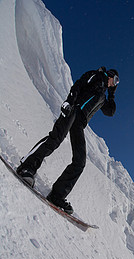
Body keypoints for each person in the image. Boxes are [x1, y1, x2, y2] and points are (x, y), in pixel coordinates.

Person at [16, 66, 119, 214]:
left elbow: (111, 112)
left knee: (80, 161)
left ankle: (57, 195)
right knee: (55, 139)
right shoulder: (96, 76)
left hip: (80, 124)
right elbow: (78, 85)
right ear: (110, 75)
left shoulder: (103, 95)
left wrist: (112, 94)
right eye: (115, 80)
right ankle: (27, 167)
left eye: (117, 83)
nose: (115, 84)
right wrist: (69, 102)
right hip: (73, 109)